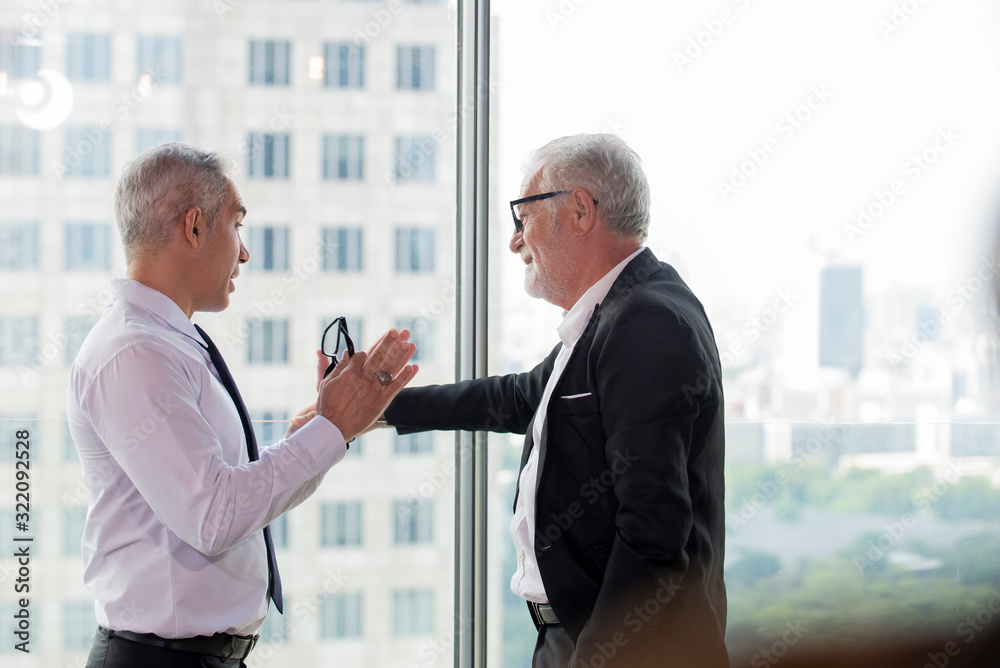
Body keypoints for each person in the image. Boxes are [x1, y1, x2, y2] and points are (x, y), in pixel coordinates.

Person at [383, 134, 729, 667]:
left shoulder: (646, 322)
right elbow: (523, 397)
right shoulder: (615, 312)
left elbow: (652, 535)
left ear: (580, 210)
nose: (515, 242)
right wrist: (380, 408)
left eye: (522, 218)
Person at [66, 142, 417, 667]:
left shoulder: (169, 341)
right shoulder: (135, 351)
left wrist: (322, 430)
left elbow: (231, 493)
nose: (246, 253)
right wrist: (330, 430)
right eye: (238, 225)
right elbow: (214, 517)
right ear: (194, 226)